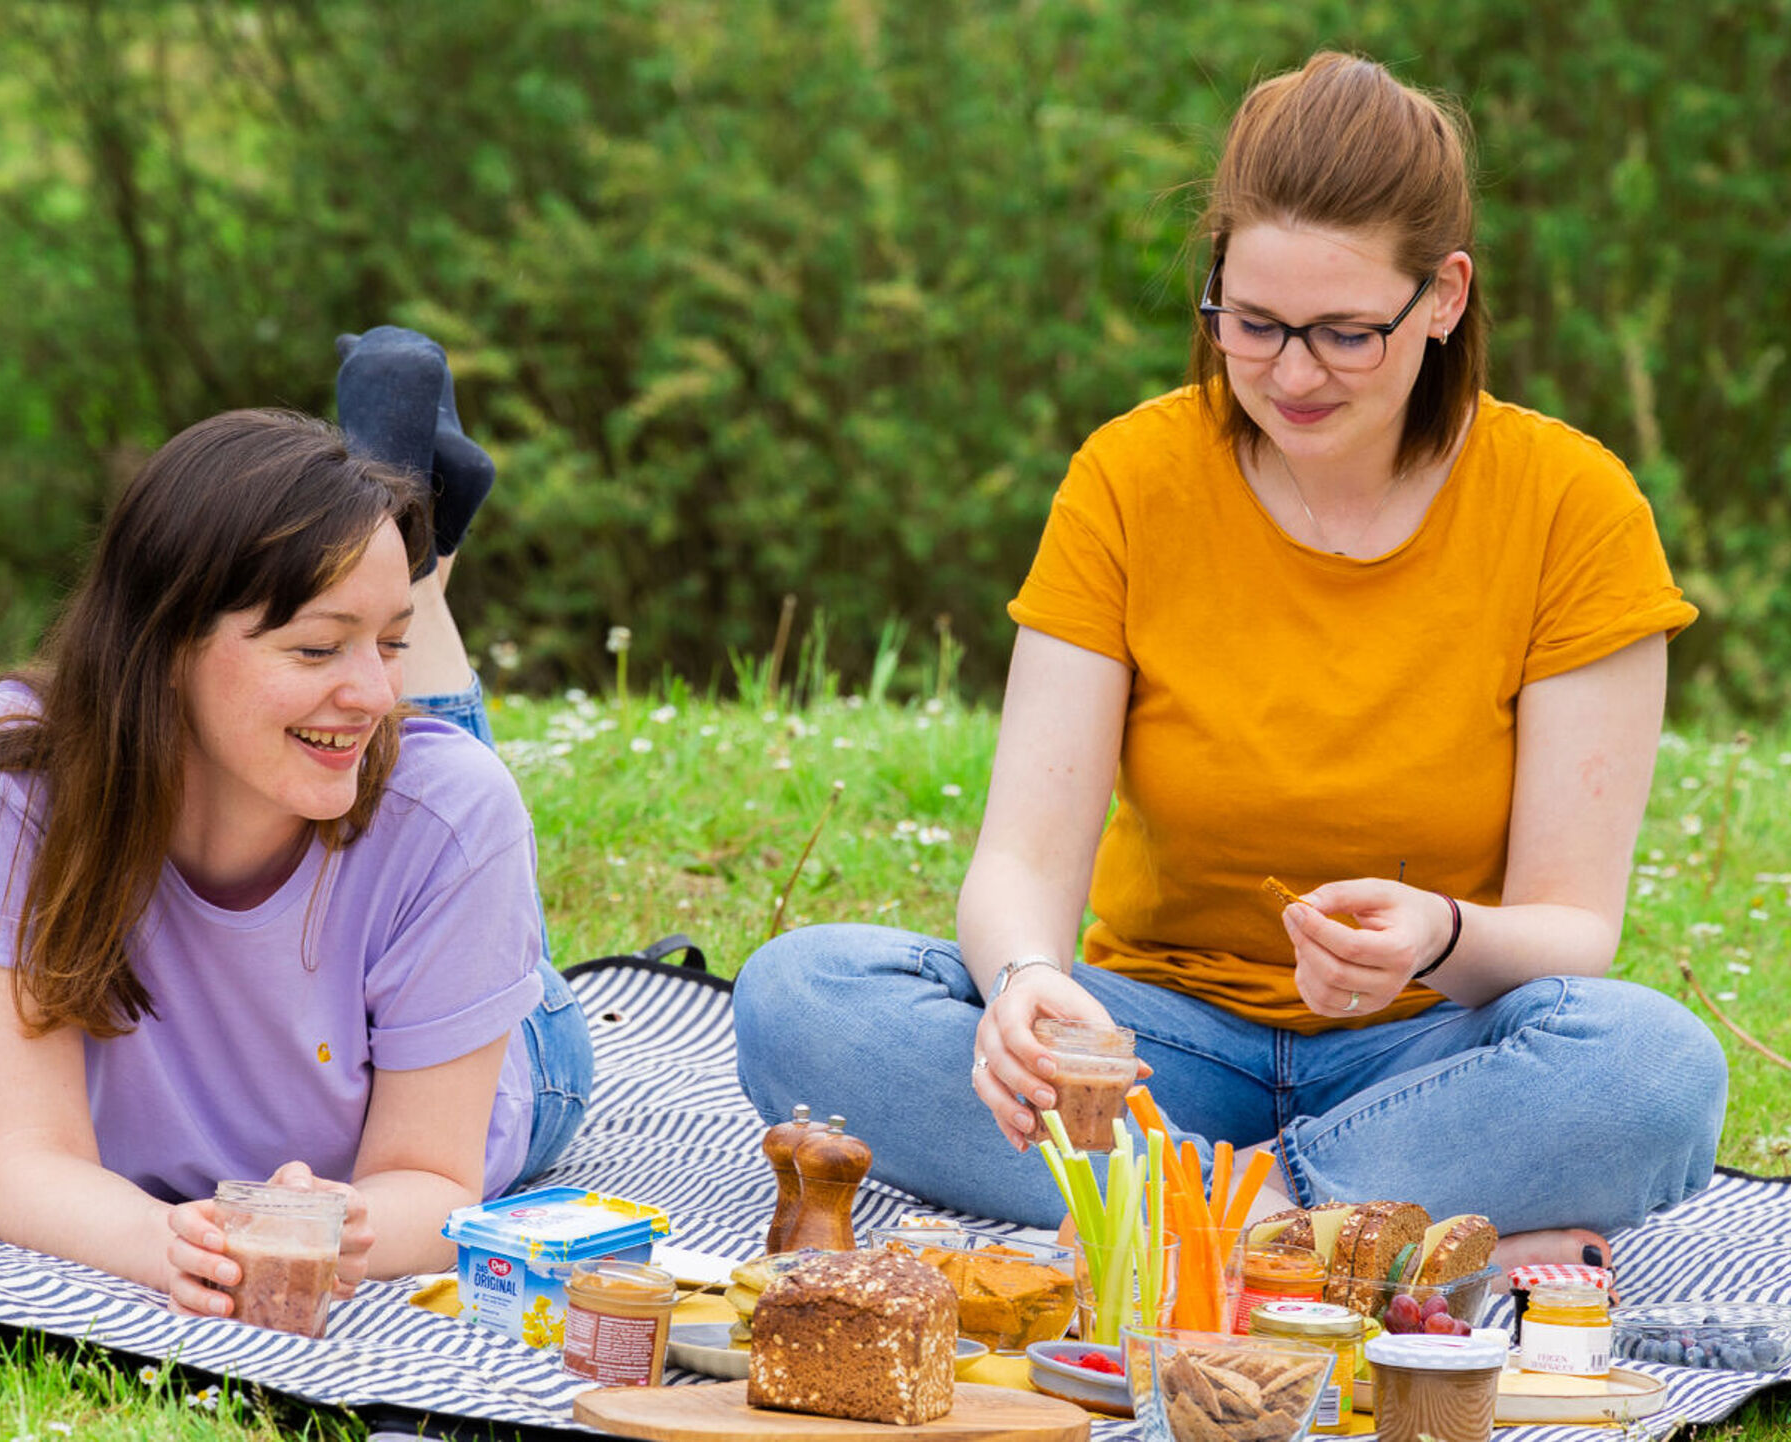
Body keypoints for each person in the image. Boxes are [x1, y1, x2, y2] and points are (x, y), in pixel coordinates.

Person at [732, 53, 1727, 1265]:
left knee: (1651, 1066)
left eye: (1347, 333)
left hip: (1432, 1046)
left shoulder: (1574, 506)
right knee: (802, 993)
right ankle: (1353, 1229)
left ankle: (1195, 1215)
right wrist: (1030, 980)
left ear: (1446, 296)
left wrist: (1439, 932)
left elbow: (1571, 928)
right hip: (1151, 1043)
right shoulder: (1131, 477)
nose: (1293, 374)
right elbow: (1021, 860)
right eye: (1252, 323)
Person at [0, 332, 592, 1319]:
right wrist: (168, 1243)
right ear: (165, 640)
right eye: (318, 643)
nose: (369, 689)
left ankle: (411, 571)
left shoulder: (453, 815)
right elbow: (26, 1168)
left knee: (439, 780)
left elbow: (435, 1182)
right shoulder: (18, 777)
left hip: (512, 1047)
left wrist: (352, 1219)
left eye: (389, 644)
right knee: (407, 760)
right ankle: (401, 561)